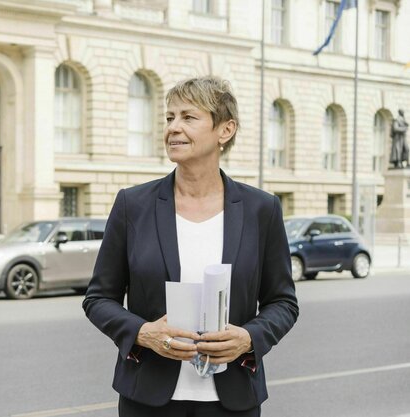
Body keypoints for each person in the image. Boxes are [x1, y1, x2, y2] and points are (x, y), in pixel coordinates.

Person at [83, 76, 298, 417]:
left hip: (233, 400)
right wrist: (144, 333)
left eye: (188, 117)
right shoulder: (132, 205)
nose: (173, 128)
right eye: (169, 118)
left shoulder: (262, 210)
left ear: (224, 131)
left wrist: (248, 338)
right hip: (148, 399)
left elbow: (283, 302)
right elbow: (98, 299)